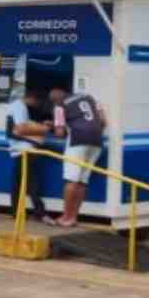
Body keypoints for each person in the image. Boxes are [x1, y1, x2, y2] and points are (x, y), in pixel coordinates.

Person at [52, 87, 106, 227]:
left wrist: (51, 126)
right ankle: (73, 217)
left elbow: (59, 132)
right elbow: (103, 122)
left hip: (77, 140)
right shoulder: (89, 97)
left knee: (71, 180)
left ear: (55, 99)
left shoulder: (59, 106)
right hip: (97, 141)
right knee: (82, 181)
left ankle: (65, 217)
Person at [5, 88, 57, 225]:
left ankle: (16, 212)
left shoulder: (18, 107)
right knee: (32, 183)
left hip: (19, 150)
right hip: (25, 150)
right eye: (38, 101)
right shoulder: (20, 107)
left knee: (19, 183)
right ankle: (40, 213)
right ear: (32, 98)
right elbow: (21, 128)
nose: (38, 105)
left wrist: (38, 125)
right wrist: (45, 129)